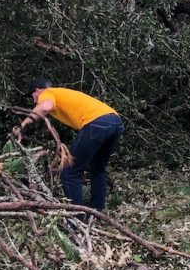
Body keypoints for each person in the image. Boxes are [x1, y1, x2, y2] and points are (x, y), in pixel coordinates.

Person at [13, 78, 124, 212]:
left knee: (70, 172)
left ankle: (76, 219)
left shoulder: (47, 93)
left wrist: (22, 125)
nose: (35, 101)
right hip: (115, 122)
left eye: (33, 96)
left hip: (96, 123)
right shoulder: (61, 93)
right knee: (98, 169)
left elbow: (45, 106)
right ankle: (96, 212)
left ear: (37, 90)